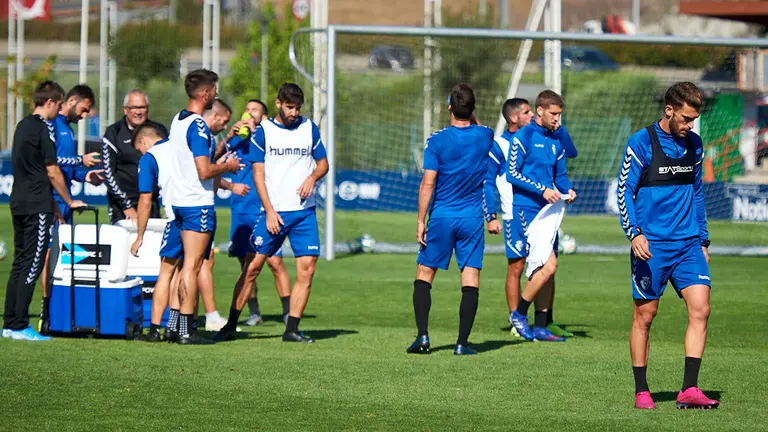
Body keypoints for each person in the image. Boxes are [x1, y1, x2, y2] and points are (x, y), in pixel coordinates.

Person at [617, 82, 718, 410]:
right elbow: (624, 191)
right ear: (669, 110)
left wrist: (703, 240)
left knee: (701, 309)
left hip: (688, 244)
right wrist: (634, 233)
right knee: (645, 316)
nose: (690, 125)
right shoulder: (641, 142)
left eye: (694, 120)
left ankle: (689, 389)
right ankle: (642, 391)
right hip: (652, 246)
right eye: (686, 119)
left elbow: (697, 192)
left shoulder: (695, 145)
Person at [214, 83, 328, 343]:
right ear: (278, 103)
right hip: (274, 212)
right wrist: (269, 211)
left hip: (304, 213)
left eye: (298, 108)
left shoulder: (309, 128)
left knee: (307, 269)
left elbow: (323, 164)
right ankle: (230, 326)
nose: (294, 113)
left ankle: (292, 330)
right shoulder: (263, 132)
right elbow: (258, 175)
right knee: (252, 267)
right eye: (289, 107)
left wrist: (312, 177)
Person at [406, 83, 494, 356]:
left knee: (424, 273)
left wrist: (421, 220)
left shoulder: (437, 141)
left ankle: (423, 337)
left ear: (449, 108)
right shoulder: (485, 135)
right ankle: (462, 343)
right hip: (471, 219)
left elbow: (428, 183)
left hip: (442, 217)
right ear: (473, 108)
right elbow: (477, 126)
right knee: (470, 277)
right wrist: (471, 112)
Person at [484, 98, 578, 339]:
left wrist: (567, 191)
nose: (557, 118)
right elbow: (508, 175)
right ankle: (518, 315)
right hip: (522, 211)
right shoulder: (517, 139)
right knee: (529, 266)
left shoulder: (554, 138)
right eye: (554, 113)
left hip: (549, 212)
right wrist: (490, 215)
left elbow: (563, 169)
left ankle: (541, 325)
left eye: (559, 114)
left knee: (546, 268)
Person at [1, 81, 85, 341]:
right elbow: (52, 170)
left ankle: (10, 324)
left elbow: (33, 170)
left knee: (19, 264)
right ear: (49, 102)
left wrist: (55, 208)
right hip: (36, 205)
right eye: (59, 104)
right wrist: (69, 201)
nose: (60, 110)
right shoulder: (44, 128)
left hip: (19, 201)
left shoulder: (22, 125)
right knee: (33, 264)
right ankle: (19, 325)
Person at [168, 70, 240, 344]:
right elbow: (204, 170)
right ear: (204, 93)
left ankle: (174, 325)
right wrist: (228, 167)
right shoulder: (198, 126)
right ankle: (187, 330)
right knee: (193, 266)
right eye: (213, 90)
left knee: (181, 266)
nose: (215, 94)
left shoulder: (178, 119)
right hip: (196, 204)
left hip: (179, 202)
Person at [38, 84, 103, 332]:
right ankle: (46, 310)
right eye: (84, 109)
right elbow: (51, 163)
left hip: (65, 202)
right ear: (73, 100)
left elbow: (65, 170)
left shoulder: (67, 129)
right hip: (52, 201)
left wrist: (85, 175)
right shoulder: (52, 125)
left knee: (62, 255)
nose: (84, 115)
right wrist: (80, 160)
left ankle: (60, 307)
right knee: (48, 255)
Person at [224, 99, 292, 327]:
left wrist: (255, 132)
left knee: (275, 262)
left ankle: (288, 313)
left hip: (265, 210)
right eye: (247, 109)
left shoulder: (269, 137)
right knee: (246, 266)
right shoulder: (236, 139)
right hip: (241, 211)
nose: (249, 112)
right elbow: (212, 161)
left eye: (254, 110)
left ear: (263, 116)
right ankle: (254, 313)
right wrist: (229, 136)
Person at [102, 89, 168, 224]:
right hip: (123, 207)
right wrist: (126, 206)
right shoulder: (114, 133)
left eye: (142, 107)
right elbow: (108, 173)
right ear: (125, 110)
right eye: (134, 107)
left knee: (152, 237)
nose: (138, 112)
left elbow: (169, 166)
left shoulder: (159, 131)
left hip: (151, 202)